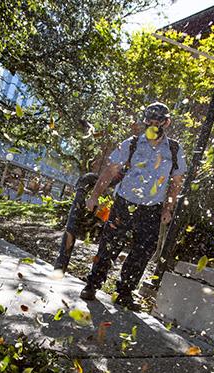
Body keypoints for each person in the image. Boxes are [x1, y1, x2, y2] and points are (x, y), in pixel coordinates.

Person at [80, 102, 187, 310]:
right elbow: (110, 171)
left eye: (158, 121)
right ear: (145, 121)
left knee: (142, 253)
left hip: (152, 208)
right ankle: (92, 284)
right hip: (124, 203)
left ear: (167, 122)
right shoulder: (131, 144)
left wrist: (168, 208)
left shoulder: (174, 150)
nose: (153, 125)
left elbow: (176, 182)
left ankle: (125, 293)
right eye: (149, 121)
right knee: (109, 245)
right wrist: (94, 196)